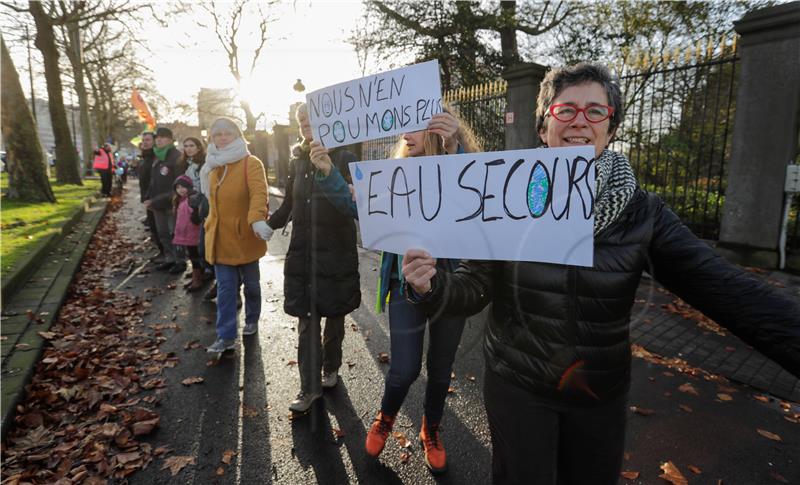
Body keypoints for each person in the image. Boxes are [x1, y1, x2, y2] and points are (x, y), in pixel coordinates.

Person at [400, 63, 800, 485]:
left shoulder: (642, 212)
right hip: (517, 387)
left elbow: (727, 289)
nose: (579, 122)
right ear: (543, 127)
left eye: (595, 112)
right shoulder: (505, 197)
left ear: (610, 128)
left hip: (598, 396)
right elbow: (473, 288)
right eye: (565, 111)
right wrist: (431, 286)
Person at [311, 107, 482, 474]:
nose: (406, 133)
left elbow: (475, 195)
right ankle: (385, 418)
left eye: (415, 126)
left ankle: (430, 430)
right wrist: (327, 173)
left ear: (437, 129)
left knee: (440, 370)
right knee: (403, 368)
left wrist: (455, 148)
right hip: (404, 284)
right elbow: (356, 206)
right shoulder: (390, 176)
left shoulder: (457, 161)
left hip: (452, 286)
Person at [264, 103, 361, 414]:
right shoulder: (298, 159)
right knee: (307, 323)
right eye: (301, 120)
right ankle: (309, 389)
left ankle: (330, 368)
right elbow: (291, 202)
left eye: (312, 118)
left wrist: (328, 170)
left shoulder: (345, 156)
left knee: (334, 318)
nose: (306, 123)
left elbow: (352, 206)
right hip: (303, 256)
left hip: (334, 256)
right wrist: (269, 223)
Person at [202, 117, 270, 353]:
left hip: (244, 235)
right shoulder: (212, 164)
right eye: (217, 134)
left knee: (251, 285)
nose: (222, 138)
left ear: (237, 136)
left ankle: (252, 319)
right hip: (219, 238)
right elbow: (210, 200)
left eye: (227, 133)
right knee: (226, 289)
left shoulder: (251, 163)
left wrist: (258, 219)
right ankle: (226, 336)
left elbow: (259, 194)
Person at [144, 127, 182, 273]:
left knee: (175, 233)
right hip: (156, 204)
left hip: (171, 203)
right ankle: (169, 258)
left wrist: (160, 199)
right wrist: (149, 197)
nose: (159, 140)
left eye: (163, 137)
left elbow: (179, 184)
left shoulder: (176, 157)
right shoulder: (156, 156)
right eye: (157, 137)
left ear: (170, 140)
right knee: (163, 233)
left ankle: (180, 260)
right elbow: (153, 181)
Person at [171, 175, 204, 291]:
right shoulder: (180, 200)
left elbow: (197, 216)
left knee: (195, 257)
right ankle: (197, 276)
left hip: (193, 235)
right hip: (186, 234)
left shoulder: (192, 198)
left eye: (183, 187)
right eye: (178, 187)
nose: (180, 190)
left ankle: (198, 279)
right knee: (192, 256)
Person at [138, 132, 163, 259]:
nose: (144, 142)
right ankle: (161, 251)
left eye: (148, 140)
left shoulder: (156, 157)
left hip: (155, 197)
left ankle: (166, 253)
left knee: (160, 228)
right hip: (147, 197)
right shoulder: (145, 156)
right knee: (154, 227)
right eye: (143, 140)